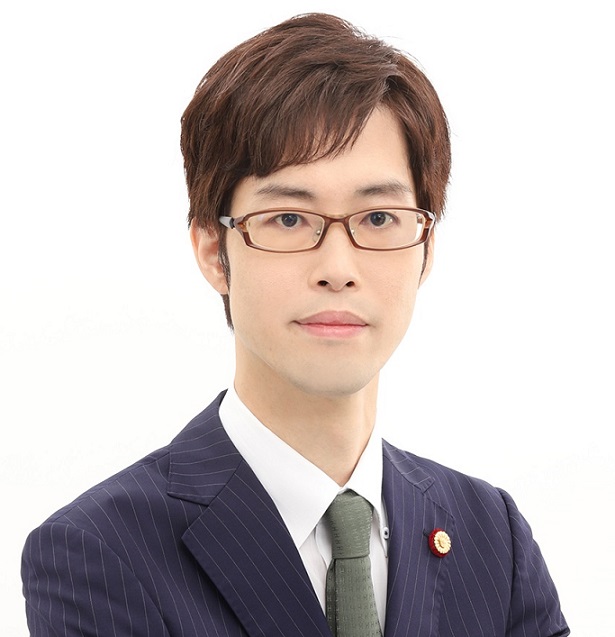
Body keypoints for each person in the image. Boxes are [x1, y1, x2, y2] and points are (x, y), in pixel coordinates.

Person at [21, 13, 569, 637]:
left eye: (379, 218)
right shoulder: (99, 552)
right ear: (213, 250)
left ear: (426, 248)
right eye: (288, 219)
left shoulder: (492, 536)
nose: (337, 269)